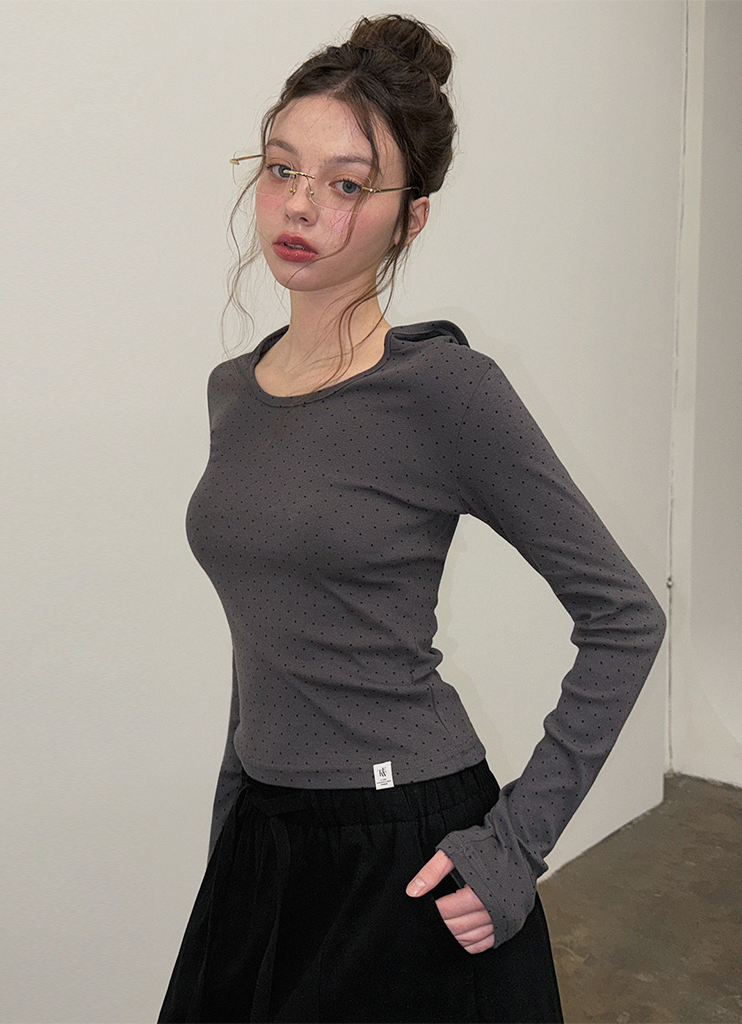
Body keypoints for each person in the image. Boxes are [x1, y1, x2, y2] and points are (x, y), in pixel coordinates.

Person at [158, 14, 666, 1024]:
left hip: (403, 848)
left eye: (347, 184)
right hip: (266, 836)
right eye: (281, 168)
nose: (301, 204)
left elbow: (625, 616)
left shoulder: (445, 389)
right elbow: (267, 640)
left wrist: (513, 846)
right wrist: (233, 827)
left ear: (411, 218)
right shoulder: (233, 390)